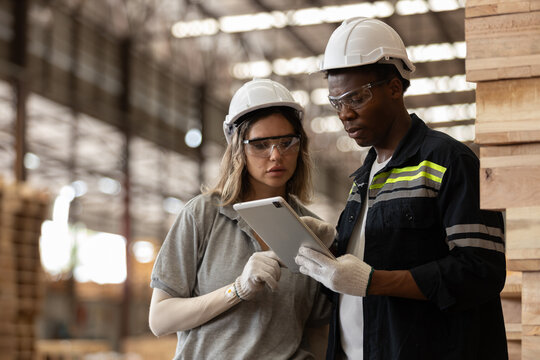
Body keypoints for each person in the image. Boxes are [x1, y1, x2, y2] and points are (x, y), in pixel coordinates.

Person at [295, 17, 507, 359]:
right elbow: (364, 266)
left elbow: (481, 270)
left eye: (357, 98)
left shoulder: (449, 162)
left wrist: (373, 282)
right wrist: (324, 249)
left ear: (395, 88)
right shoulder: (363, 178)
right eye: (337, 103)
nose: (345, 114)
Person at [149, 78, 333, 359]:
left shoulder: (312, 231)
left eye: (287, 142)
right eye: (260, 145)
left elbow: (318, 331)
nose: (276, 155)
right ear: (238, 149)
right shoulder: (203, 215)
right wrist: (237, 289)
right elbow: (160, 320)